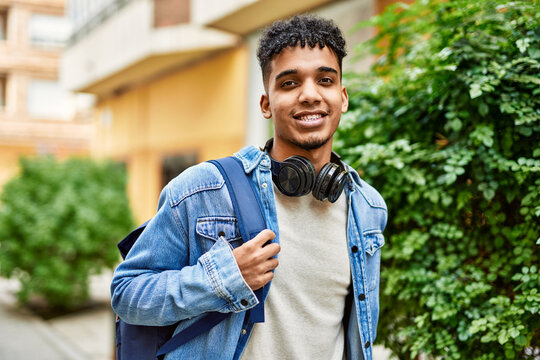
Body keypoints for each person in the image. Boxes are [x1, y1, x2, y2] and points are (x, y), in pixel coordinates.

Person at [111, 15, 387, 360]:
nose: (310, 95)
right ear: (266, 104)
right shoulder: (202, 191)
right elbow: (127, 293)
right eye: (289, 83)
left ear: (342, 97)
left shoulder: (368, 208)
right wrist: (222, 278)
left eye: (325, 80)